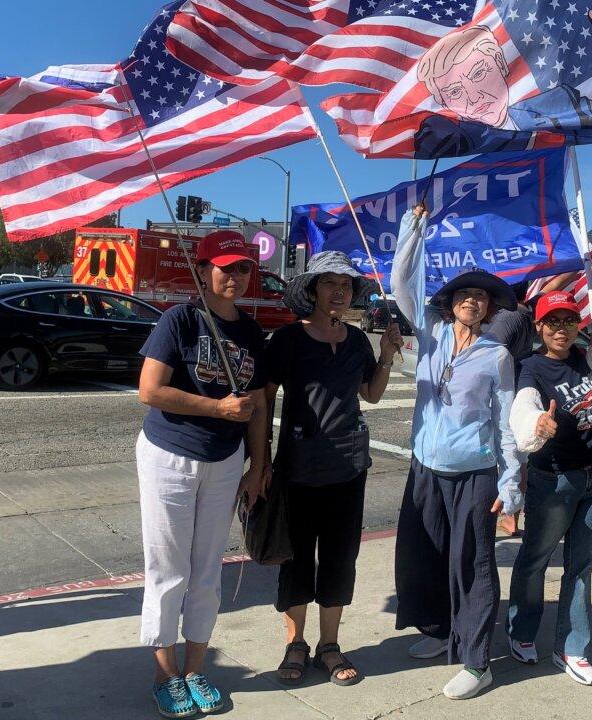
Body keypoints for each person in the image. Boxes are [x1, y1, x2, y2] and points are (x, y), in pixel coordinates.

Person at [135, 231, 269, 718]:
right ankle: (165, 674)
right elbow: (149, 390)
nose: (234, 277)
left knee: (207, 573)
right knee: (168, 570)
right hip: (169, 456)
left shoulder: (251, 332)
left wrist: (259, 465)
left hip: (226, 461)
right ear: (204, 269)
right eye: (225, 267)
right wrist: (216, 407)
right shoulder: (181, 320)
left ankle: (195, 669)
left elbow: (255, 407)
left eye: (243, 269)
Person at [391, 204, 522, 700]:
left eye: (481, 298)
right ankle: (443, 631)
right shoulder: (431, 335)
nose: (472, 301)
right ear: (450, 303)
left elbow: (506, 423)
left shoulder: (497, 356)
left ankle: (477, 659)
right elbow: (402, 281)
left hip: (475, 473)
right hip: (427, 468)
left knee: (473, 563)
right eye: (465, 294)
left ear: (489, 309)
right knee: (425, 555)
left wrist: (511, 484)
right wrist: (412, 228)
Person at [264, 252, 403, 687]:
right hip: (298, 468)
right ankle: (295, 643)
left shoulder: (359, 340)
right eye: (329, 283)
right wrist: (260, 462)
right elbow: (264, 402)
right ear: (312, 290)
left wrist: (385, 354)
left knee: (341, 559)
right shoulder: (288, 340)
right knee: (297, 558)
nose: (339, 291)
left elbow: (372, 393)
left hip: (348, 468)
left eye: (345, 285)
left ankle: (329, 644)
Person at [506, 290, 592, 687]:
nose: (562, 329)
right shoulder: (530, 367)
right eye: (553, 322)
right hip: (554, 479)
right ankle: (520, 631)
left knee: (581, 566)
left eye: (569, 321)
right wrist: (536, 425)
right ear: (539, 327)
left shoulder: (587, 358)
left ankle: (572, 648)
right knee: (536, 558)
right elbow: (524, 404)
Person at [412, 11, 592, 158]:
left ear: (500, 63)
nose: (474, 98)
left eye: (477, 74)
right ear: (445, 103)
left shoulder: (557, 105)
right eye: (454, 91)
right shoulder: (447, 139)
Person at [482, 287, 534, 537]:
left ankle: (507, 515)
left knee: (506, 456)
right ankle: (513, 515)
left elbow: (486, 353)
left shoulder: (507, 317)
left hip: (504, 396)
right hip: (515, 392)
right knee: (518, 459)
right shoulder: (523, 314)